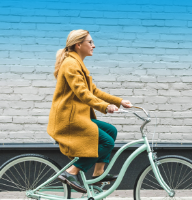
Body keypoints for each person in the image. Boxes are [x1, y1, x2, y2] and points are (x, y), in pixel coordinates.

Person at [47, 29, 132, 193]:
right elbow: (83, 94)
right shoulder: (71, 64)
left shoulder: (77, 63)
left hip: (77, 117)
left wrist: (119, 101)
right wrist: (105, 107)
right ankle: (71, 172)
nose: (94, 45)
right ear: (78, 45)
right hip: (69, 120)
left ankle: (98, 173)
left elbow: (93, 91)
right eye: (90, 42)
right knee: (106, 142)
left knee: (111, 131)